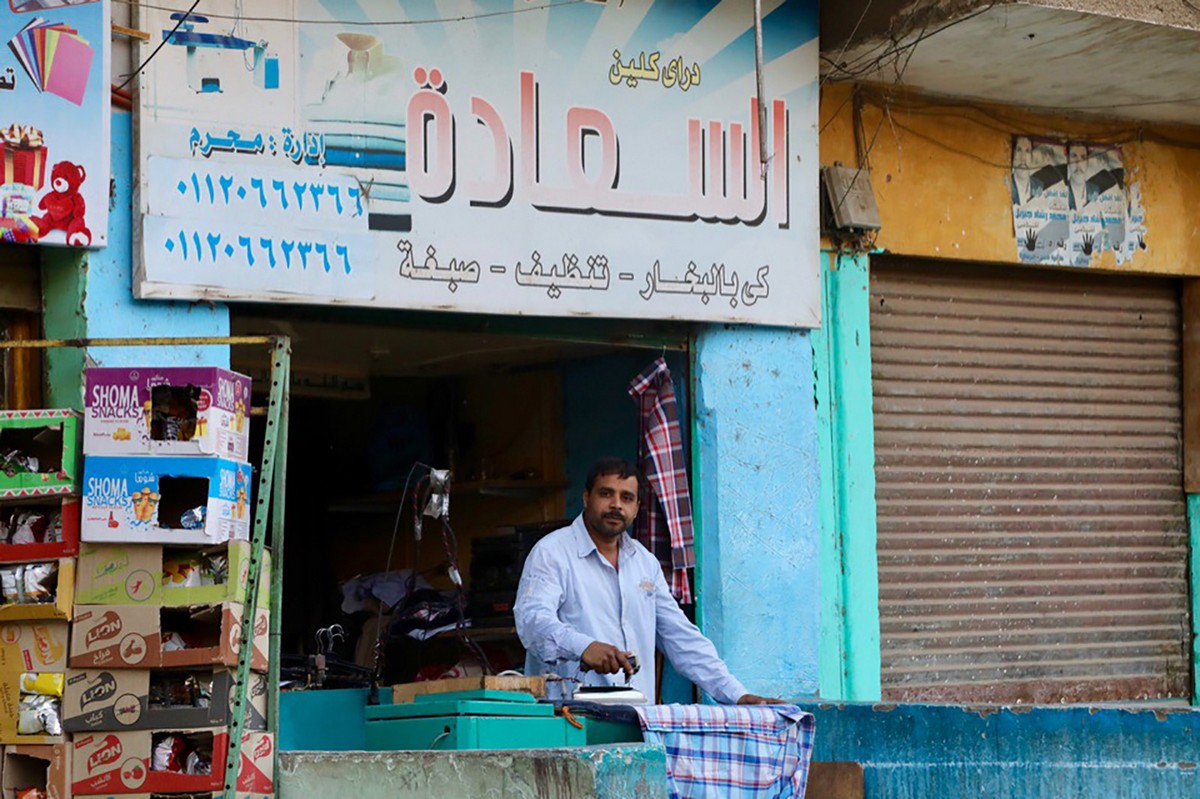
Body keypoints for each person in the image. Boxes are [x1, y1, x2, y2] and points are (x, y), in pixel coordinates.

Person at [514, 457, 781, 705]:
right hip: (567, 718)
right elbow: (532, 620)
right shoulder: (552, 552)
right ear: (586, 498)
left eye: (627, 497)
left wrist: (737, 694)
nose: (616, 505)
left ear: (637, 508)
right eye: (606, 493)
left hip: (637, 721)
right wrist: (584, 647)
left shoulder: (645, 563)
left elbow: (680, 638)